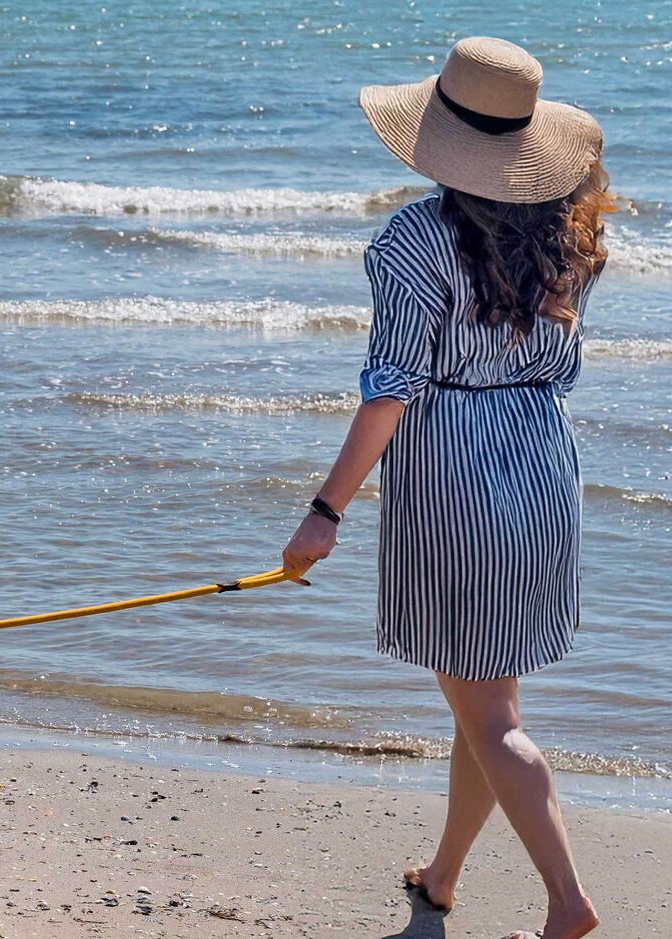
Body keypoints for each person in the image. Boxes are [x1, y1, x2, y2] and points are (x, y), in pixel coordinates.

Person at [278, 37, 612, 939]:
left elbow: (392, 389)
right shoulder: (571, 232)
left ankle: (567, 902)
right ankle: (445, 874)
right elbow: (562, 365)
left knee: (490, 712)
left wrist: (323, 512)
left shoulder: (414, 239)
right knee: (485, 695)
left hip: (453, 474)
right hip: (544, 464)